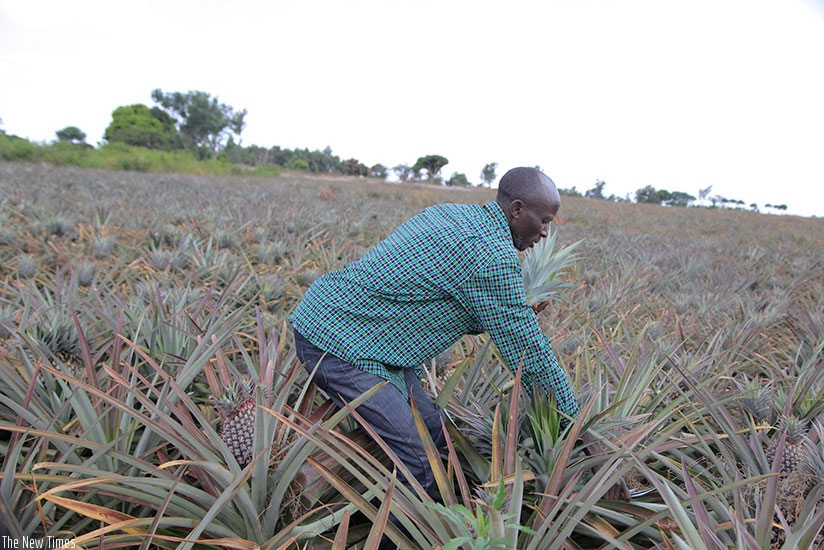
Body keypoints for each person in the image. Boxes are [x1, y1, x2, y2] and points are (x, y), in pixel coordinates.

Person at [289, 167, 629, 540]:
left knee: (436, 435)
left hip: (372, 339)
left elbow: (430, 292)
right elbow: (531, 354)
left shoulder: (454, 213)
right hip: (338, 341)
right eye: (544, 220)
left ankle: (424, 524)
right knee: (419, 463)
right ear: (517, 210)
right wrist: (582, 431)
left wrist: (505, 310)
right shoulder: (493, 258)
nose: (545, 232)